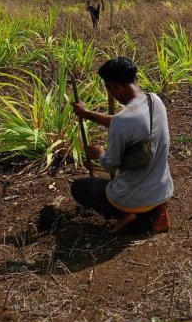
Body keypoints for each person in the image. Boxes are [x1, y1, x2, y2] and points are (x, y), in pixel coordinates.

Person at [71, 57, 173, 234]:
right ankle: (158, 211)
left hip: (133, 196)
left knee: (79, 188)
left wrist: (99, 153)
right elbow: (124, 123)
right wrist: (87, 114)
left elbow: (110, 164)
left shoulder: (123, 121)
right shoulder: (154, 101)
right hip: (162, 189)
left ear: (114, 87)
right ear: (135, 79)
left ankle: (132, 216)